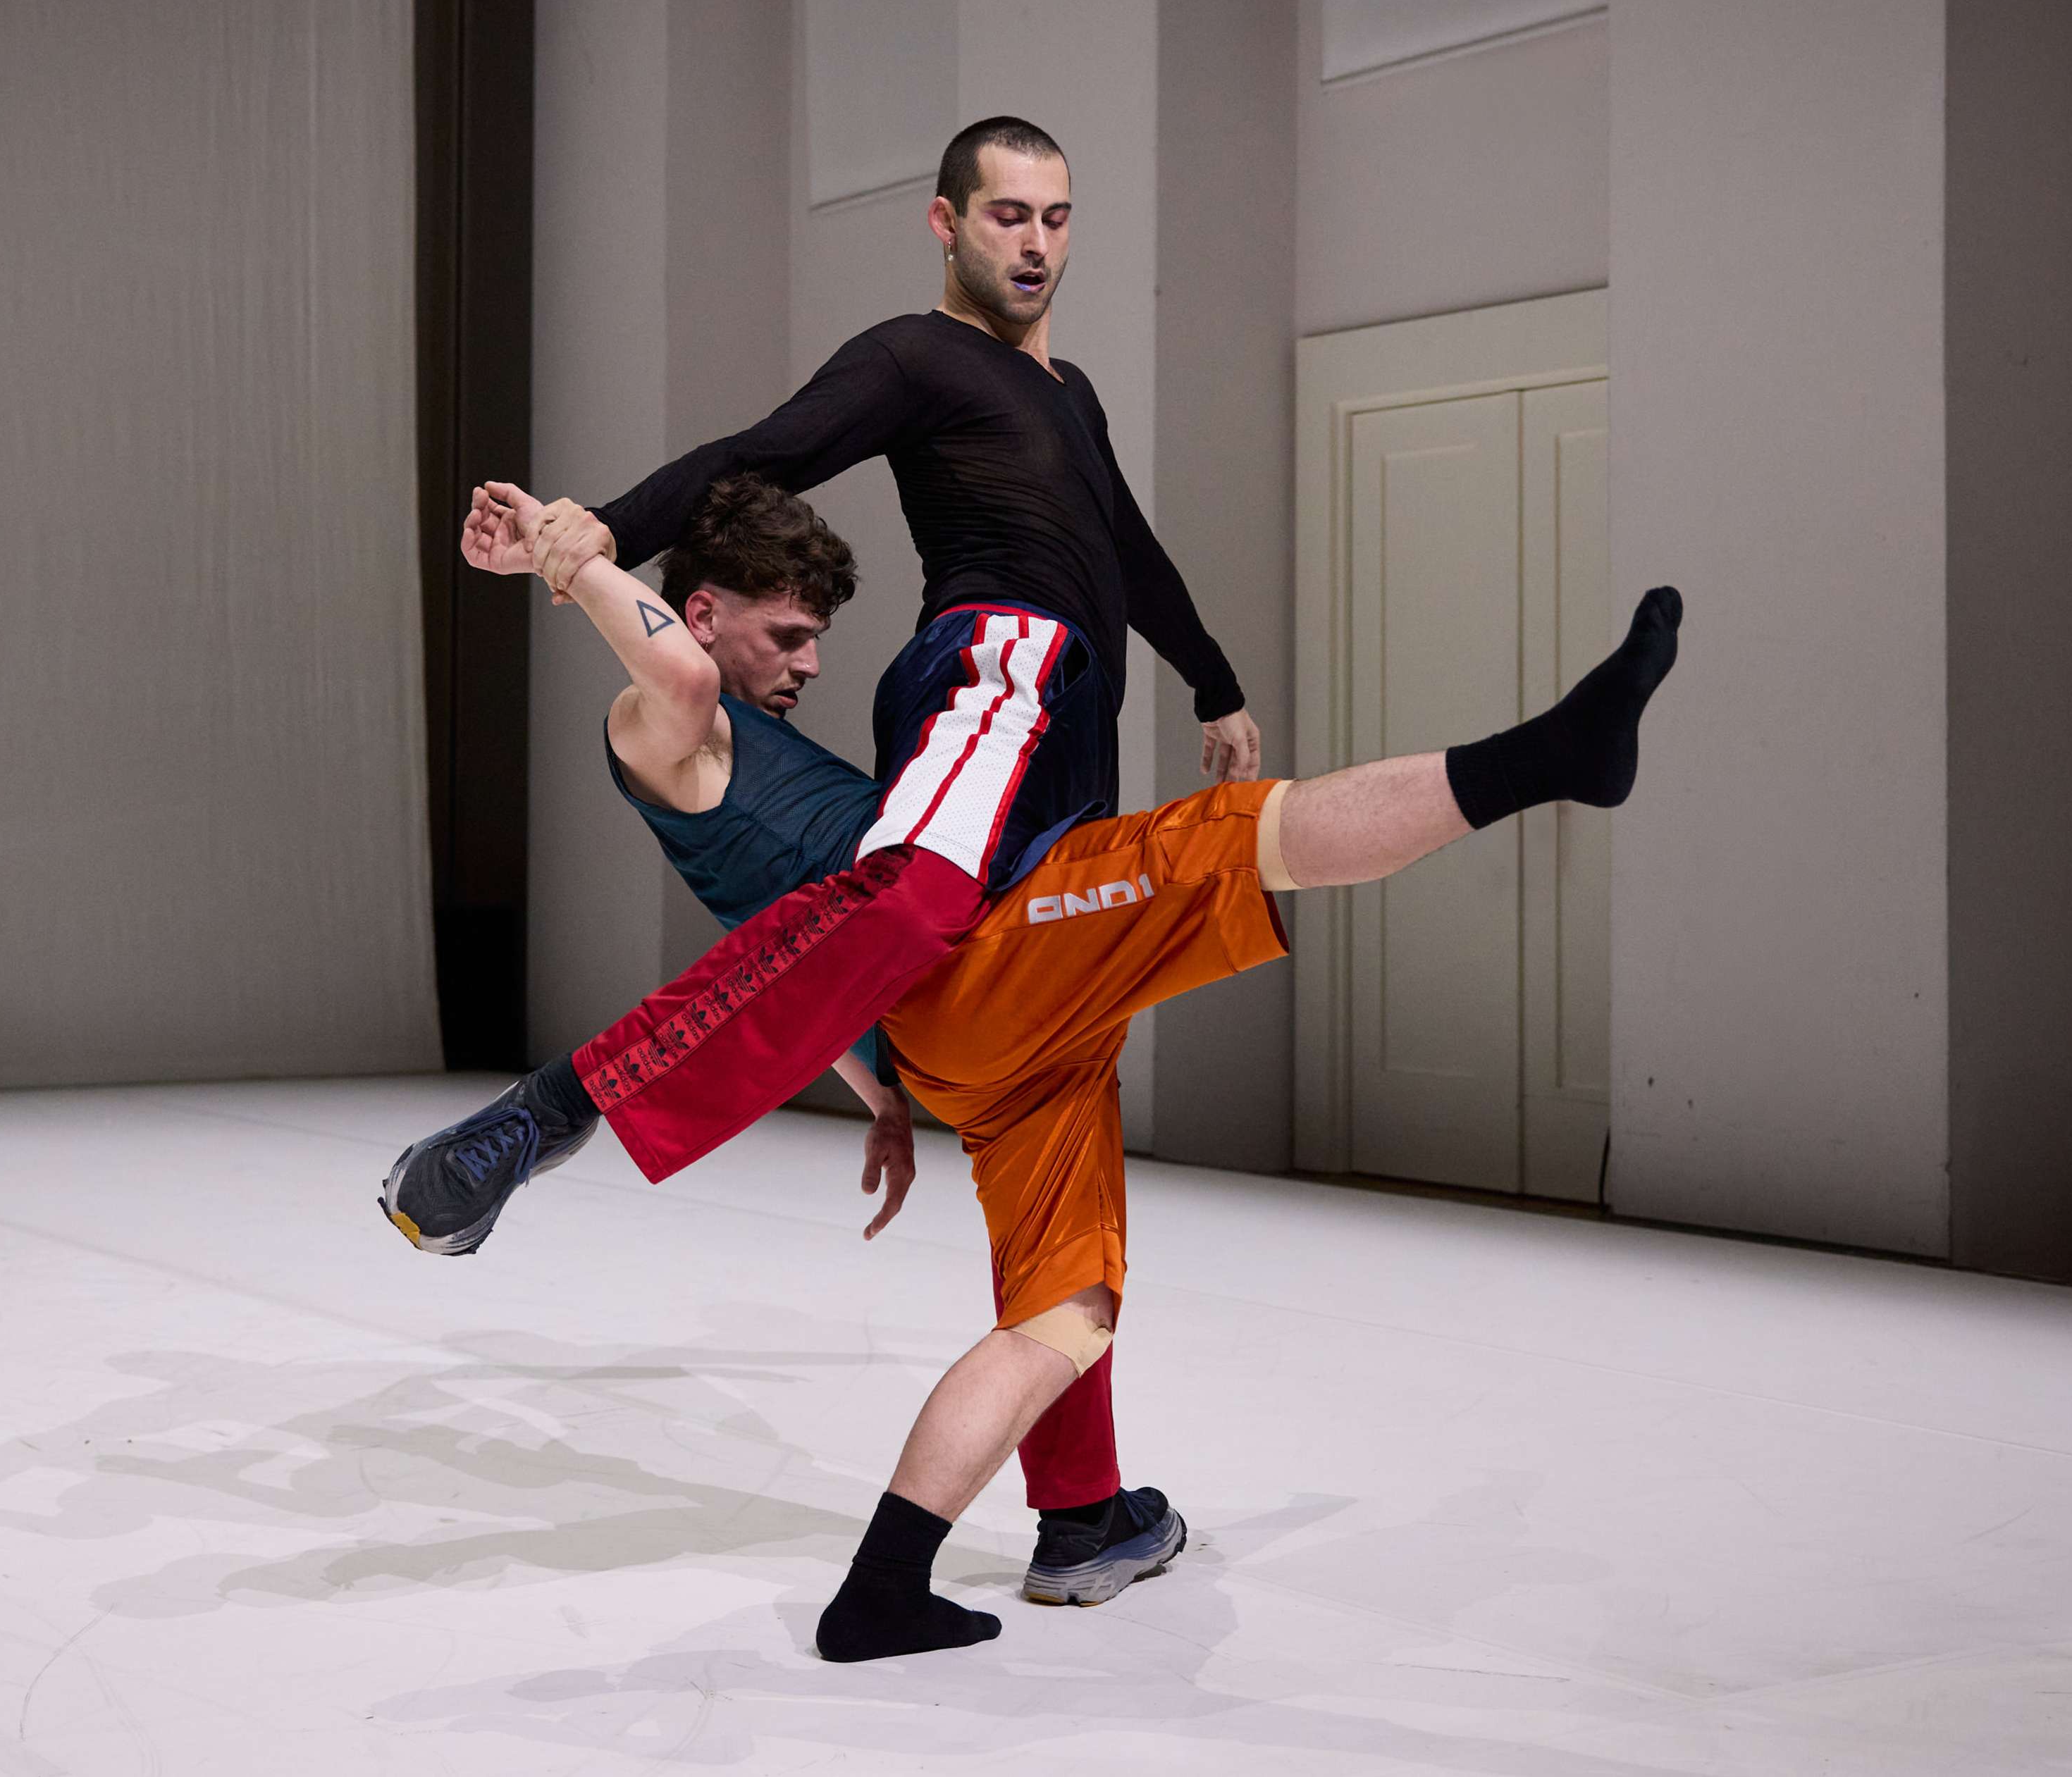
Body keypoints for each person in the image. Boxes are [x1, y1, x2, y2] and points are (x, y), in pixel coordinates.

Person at [391, 474, 1686, 1662]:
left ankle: (1029, 1538)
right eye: (785, 635)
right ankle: (1550, 758)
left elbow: (805, 941)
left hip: (963, 1035)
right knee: (1229, 840)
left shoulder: (747, 753)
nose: (808, 662)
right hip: (984, 960)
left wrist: (881, 1093)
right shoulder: (670, 729)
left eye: (817, 638)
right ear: (703, 611)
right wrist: (563, 550)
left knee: (1066, 1306)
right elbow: (678, 684)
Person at [381, 116, 1261, 1260]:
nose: (1036, 243)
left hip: (1079, 727)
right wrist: (603, 530)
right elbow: (761, 454)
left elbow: (1129, 550)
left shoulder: (1075, 393)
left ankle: (1060, 1312)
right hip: (997, 670)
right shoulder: (916, 358)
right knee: (914, 907)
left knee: (1035, 993)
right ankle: (554, 1109)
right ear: (945, 222)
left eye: (1055, 219)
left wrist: (1214, 685)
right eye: (1008, 216)